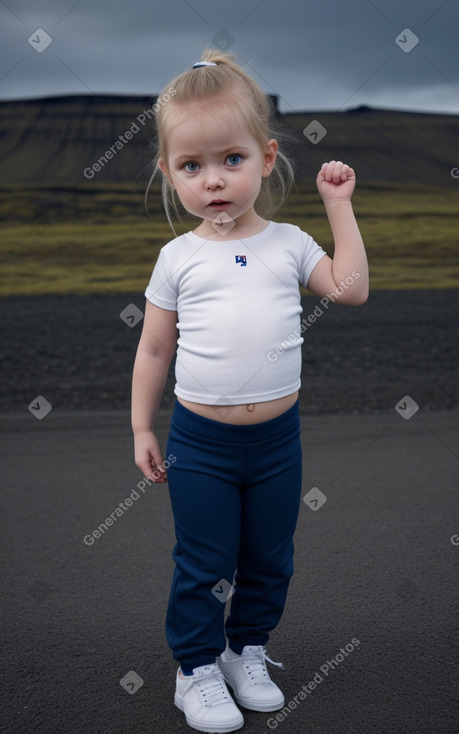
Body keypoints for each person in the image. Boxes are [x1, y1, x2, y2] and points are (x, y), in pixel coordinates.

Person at [131, 47, 368, 734]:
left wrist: (338, 206)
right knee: (204, 562)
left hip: (274, 442)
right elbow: (153, 348)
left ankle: (245, 651)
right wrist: (144, 428)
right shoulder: (177, 258)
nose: (213, 181)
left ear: (265, 159)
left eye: (230, 160)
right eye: (191, 166)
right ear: (167, 171)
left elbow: (348, 292)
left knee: (270, 557)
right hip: (200, 442)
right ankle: (196, 670)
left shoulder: (290, 243)